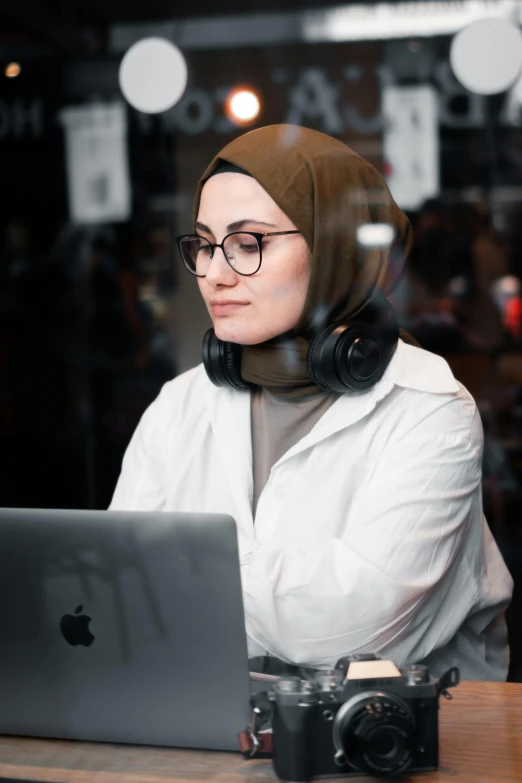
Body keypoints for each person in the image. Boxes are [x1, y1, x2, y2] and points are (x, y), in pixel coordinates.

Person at [110, 125, 513, 680]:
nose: (214, 274)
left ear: (334, 248)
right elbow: (116, 600)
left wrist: (172, 580)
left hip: (409, 742)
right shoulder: (178, 404)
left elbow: (352, 629)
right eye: (204, 244)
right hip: (214, 731)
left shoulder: (429, 407)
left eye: (248, 243)